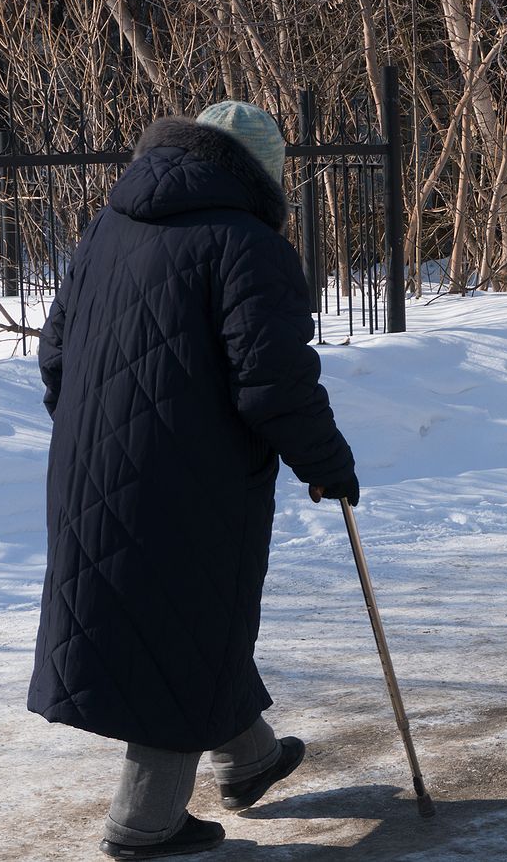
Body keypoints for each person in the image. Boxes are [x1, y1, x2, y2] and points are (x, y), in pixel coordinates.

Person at [28, 101, 360, 859]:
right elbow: (273, 383)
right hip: (192, 477)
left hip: (91, 464)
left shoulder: (112, 224)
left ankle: (249, 759)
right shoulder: (249, 246)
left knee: (186, 618)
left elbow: (56, 352)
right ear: (261, 172)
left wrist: (95, 432)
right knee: (180, 627)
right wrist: (328, 464)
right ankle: (143, 824)